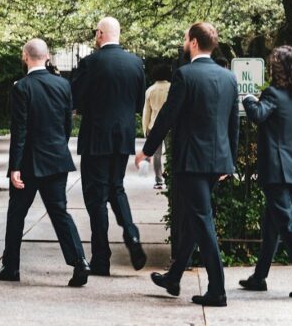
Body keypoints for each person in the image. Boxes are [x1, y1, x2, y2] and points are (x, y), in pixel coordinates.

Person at [136, 22, 239, 306]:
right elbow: (233, 124)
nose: (184, 42)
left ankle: (217, 289)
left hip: (192, 161)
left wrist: (147, 149)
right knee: (195, 221)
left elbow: (168, 116)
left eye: (185, 38)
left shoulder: (185, 75)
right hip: (217, 160)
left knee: (202, 221)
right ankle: (174, 276)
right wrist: (229, 162)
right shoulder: (229, 78)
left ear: (194, 43)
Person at [0, 39, 91, 287]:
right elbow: (67, 125)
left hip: (29, 164)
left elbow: (20, 130)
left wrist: (14, 167)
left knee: (16, 215)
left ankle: (11, 267)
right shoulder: (63, 85)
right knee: (59, 213)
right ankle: (80, 262)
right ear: (47, 57)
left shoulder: (22, 88)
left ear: (25, 56)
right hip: (56, 160)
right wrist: (57, 148)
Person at [240, 46, 292, 298]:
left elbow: (258, 115)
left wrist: (249, 98)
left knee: (284, 224)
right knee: (271, 225)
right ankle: (259, 277)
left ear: (280, 69)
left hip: (276, 171)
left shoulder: (273, 94)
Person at [71, 16, 147, 274]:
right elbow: (138, 103)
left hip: (95, 137)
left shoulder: (90, 63)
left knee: (96, 198)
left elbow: (76, 97)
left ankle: (101, 258)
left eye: (96, 32)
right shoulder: (136, 64)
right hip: (123, 136)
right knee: (117, 187)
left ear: (101, 33)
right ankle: (132, 234)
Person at [141, 64, 171, 188]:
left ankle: (158, 180)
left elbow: (146, 112)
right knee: (170, 153)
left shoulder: (150, 90)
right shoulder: (172, 88)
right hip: (170, 125)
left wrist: (145, 129)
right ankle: (170, 178)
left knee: (156, 155)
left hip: (154, 125)